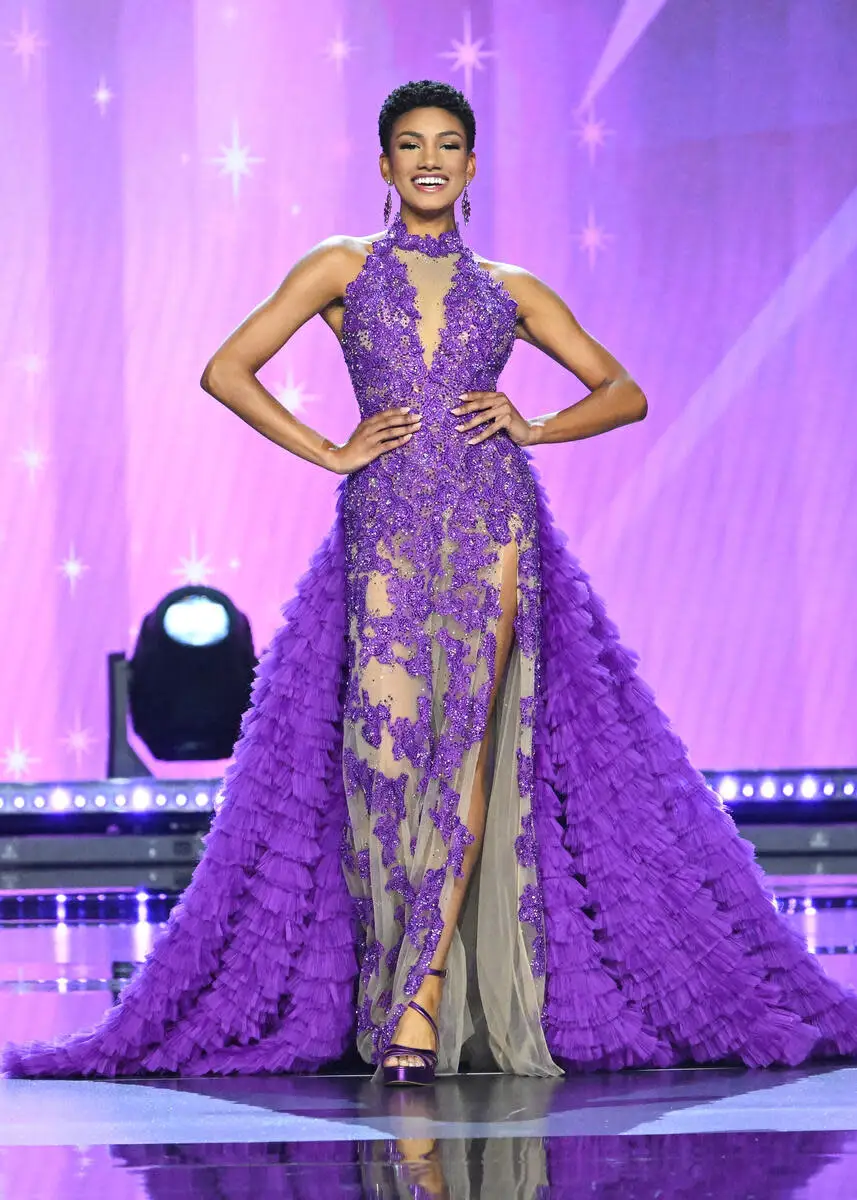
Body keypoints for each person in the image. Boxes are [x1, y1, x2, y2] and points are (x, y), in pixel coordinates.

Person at [5, 79, 857, 1088]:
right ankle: (395, 992)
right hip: (382, 534)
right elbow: (226, 368)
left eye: (447, 144)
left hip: (493, 529)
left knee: (462, 760)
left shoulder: (509, 286)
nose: (428, 159)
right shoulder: (337, 268)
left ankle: (416, 1008)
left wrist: (535, 427)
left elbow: (621, 390)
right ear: (381, 164)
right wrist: (326, 448)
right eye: (409, 143)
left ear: (470, 165)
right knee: (380, 764)